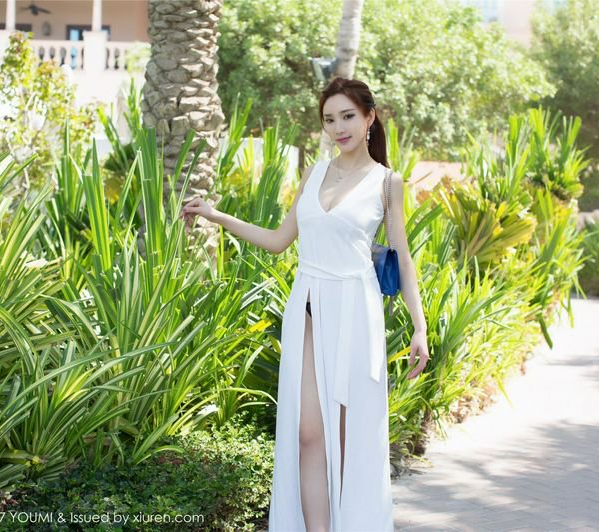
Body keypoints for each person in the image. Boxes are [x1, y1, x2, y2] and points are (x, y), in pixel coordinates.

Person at [180, 77, 430, 532]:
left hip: (356, 310)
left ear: (370, 118)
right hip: (309, 306)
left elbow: (403, 257)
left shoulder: (386, 182)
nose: (339, 127)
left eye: (348, 116)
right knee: (308, 433)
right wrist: (216, 215)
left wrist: (419, 327)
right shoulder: (314, 173)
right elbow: (279, 240)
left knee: (347, 441)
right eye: (330, 119)